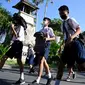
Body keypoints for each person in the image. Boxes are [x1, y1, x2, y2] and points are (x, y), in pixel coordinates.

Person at [54, 5, 82, 85]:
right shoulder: (62, 24)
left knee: (82, 65)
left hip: (75, 43)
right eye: (60, 14)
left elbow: (79, 29)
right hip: (67, 45)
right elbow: (65, 36)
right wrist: (61, 46)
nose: (61, 15)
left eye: (63, 13)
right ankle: (57, 83)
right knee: (61, 65)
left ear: (68, 12)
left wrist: (72, 37)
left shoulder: (71, 20)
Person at [0, 13, 26, 85]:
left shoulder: (21, 27)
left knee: (19, 61)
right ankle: (22, 78)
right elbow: (13, 36)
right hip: (14, 44)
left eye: (15, 19)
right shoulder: (17, 26)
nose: (14, 20)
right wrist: (12, 29)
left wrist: (12, 28)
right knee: (4, 58)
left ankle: (22, 78)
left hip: (18, 44)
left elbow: (17, 36)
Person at [31, 17, 55, 85]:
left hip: (46, 46)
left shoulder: (49, 29)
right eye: (43, 20)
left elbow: (53, 38)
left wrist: (46, 38)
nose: (44, 21)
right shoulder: (40, 30)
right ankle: (50, 76)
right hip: (40, 47)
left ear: (48, 22)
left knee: (41, 61)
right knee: (44, 62)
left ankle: (38, 80)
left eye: (45, 20)